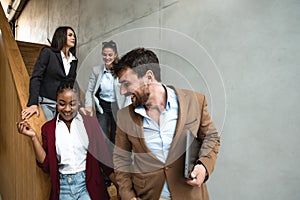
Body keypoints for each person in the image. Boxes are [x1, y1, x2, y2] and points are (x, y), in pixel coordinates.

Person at [113, 48, 220, 200]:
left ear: (149, 77)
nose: (123, 91)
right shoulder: (124, 116)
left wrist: (203, 165)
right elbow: (120, 159)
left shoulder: (195, 101)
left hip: (189, 194)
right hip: (148, 195)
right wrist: (127, 195)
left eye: (126, 84)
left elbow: (211, 137)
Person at [17, 78, 117, 200]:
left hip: (88, 185)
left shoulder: (91, 124)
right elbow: (46, 165)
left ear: (79, 102)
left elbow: (104, 159)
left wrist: (120, 185)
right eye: (62, 103)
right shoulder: (48, 129)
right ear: (56, 102)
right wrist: (33, 137)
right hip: (62, 187)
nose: (67, 109)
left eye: (72, 103)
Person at [21, 26, 78, 121]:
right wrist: (33, 103)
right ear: (61, 36)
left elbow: (71, 85)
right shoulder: (48, 53)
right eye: (70, 35)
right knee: (48, 132)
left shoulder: (74, 61)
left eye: (74, 36)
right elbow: (36, 77)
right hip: (46, 103)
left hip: (63, 106)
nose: (73, 38)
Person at [81, 40, 130, 144]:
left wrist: (125, 110)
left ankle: (113, 160)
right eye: (104, 55)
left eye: (110, 55)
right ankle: (102, 159)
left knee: (116, 138)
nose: (107, 58)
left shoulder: (121, 71)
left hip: (118, 107)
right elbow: (89, 90)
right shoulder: (96, 70)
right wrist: (88, 105)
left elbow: (129, 93)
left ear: (115, 55)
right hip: (102, 108)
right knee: (101, 137)